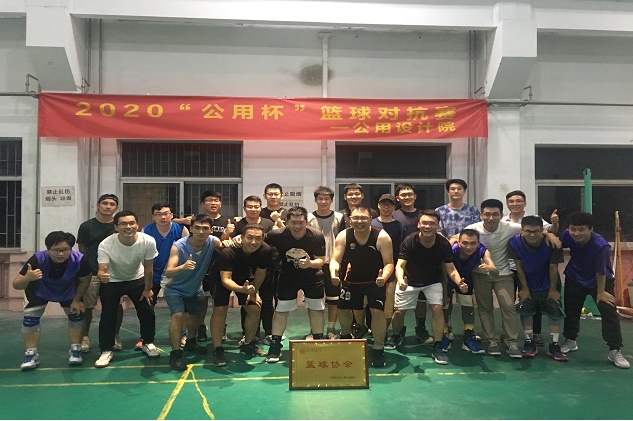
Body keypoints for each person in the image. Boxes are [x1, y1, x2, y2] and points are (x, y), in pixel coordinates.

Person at [390, 210, 468, 365]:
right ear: (419, 225)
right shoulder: (410, 241)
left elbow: (451, 269)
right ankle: (396, 336)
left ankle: (437, 346)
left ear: (437, 226)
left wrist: (459, 282)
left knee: (437, 309)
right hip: (409, 281)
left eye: (432, 223)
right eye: (424, 223)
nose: (427, 226)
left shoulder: (443, 243)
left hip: (432, 281)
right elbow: (400, 265)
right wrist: (400, 280)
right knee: (399, 312)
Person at [559, 212, 629, 369]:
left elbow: (601, 271)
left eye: (581, 229)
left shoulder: (600, 245)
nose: (576, 233)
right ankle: (570, 340)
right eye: (573, 229)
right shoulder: (567, 235)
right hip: (575, 277)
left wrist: (601, 292)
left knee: (609, 313)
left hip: (600, 281)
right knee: (571, 310)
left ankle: (615, 350)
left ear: (590, 229)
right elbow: (558, 243)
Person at [13, 231, 92, 370]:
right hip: (39, 289)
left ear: (71, 249)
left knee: (76, 315)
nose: (61, 253)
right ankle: (31, 354)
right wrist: (27, 278)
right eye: (56, 250)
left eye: (65, 250)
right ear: (48, 249)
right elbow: (16, 284)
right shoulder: (37, 259)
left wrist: (76, 300)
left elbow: (85, 281)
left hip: (68, 289)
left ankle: (75, 349)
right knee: (30, 319)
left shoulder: (80, 260)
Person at [330, 206, 394, 367]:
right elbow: (335, 259)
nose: (359, 221)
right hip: (352, 278)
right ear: (350, 220)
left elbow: (389, 263)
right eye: (356, 218)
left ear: (370, 220)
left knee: (377, 311)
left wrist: (384, 277)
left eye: (363, 218)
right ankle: (346, 337)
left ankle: (378, 347)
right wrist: (333, 273)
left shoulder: (382, 236)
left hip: (375, 280)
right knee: (343, 308)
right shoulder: (344, 235)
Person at [94, 210, 159, 368]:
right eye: (123, 224)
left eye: (131, 223)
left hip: (137, 278)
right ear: (116, 227)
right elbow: (102, 269)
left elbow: (149, 267)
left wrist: (147, 288)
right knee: (108, 314)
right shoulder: (106, 244)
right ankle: (106, 350)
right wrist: (102, 275)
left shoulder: (148, 241)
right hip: (113, 280)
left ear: (137, 224)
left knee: (147, 311)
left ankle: (148, 342)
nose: (128, 227)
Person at [263, 206, 326, 363]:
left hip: (312, 276)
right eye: (293, 223)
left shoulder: (316, 236)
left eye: (300, 222)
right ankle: (275, 345)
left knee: (316, 308)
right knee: (281, 310)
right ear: (287, 222)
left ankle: (318, 342)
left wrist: (310, 264)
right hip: (287, 276)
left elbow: (321, 259)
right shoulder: (276, 235)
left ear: (306, 222)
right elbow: (258, 242)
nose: (297, 226)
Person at [464, 199, 523, 358]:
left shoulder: (511, 228)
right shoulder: (473, 229)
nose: (491, 218)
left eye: (495, 214)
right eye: (487, 214)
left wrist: (550, 235)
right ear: (481, 215)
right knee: (485, 308)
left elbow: (534, 230)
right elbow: (458, 238)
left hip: (503, 274)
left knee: (508, 307)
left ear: (501, 215)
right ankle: (492, 341)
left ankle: (512, 342)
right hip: (480, 274)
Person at [164, 214, 223, 371]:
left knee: (196, 315)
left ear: (211, 230)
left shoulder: (213, 242)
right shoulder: (179, 246)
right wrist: (182, 267)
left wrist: (234, 239)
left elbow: (226, 245)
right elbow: (169, 272)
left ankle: (191, 342)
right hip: (175, 288)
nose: (201, 231)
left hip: (195, 288)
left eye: (205, 228)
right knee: (178, 316)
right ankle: (175, 354)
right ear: (191, 229)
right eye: (197, 227)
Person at [210, 224, 272, 366]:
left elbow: (260, 273)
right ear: (242, 237)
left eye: (258, 238)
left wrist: (253, 291)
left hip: (245, 279)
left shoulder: (265, 250)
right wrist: (242, 290)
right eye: (249, 237)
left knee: (254, 308)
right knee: (220, 310)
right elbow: (225, 280)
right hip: (221, 278)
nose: (253, 242)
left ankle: (248, 344)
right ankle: (218, 349)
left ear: (263, 238)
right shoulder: (228, 252)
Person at [505, 190, 559, 346]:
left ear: (525, 203)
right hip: (511, 269)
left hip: (533, 268)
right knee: (510, 303)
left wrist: (553, 226)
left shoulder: (534, 219)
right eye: (511, 201)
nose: (515, 203)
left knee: (535, 302)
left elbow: (549, 231)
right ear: (507, 204)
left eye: (519, 200)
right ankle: (508, 332)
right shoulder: (502, 221)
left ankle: (535, 334)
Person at [508, 216, 567, 361]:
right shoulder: (514, 242)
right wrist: (524, 288)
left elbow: (553, 268)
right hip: (528, 282)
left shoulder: (553, 243)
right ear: (522, 230)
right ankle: (529, 342)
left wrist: (553, 290)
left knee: (554, 312)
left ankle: (554, 345)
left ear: (542, 231)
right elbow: (519, 267)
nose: (532, 234)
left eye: (536, 231)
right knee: (526, 311)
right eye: (528, 231)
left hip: (549, 283)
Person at [77, 193, 123, 353]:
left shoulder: (119, 225)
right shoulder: (86, 226)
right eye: (105, 203)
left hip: (114, 274)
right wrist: (92, 264)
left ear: (116, 207)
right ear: (98, 205)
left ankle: (114, 335)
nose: (108, 206)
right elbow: (82, 248)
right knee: (87, 306)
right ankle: (84, 337)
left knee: (115, 306)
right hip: (92, 274)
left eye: (112, 204)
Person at [140, 203, 189, 350]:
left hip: (176, 274)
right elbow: (142, 256)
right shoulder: (146, 231)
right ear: (153, 217)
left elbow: (187, 251)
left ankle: (183, 334)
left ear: (172, 215)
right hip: (153, 274)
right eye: (158, 214)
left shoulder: (181, 229)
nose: (162, 217)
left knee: (182, 308)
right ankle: (146, 338)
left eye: (166, 213)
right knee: (147, 307)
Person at [231, 195, 275, 344]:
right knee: (248, 302)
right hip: (244, 270)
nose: (253, 209)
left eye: (256, 207)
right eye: (249, 206)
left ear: (261, 208)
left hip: (264, 267)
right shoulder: (238, 224)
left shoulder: (269, 223)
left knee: (267, 301)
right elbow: (232, 241)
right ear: (244, 208)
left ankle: (269, 332)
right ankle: (249, 333)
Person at [445, 228, 497, 354]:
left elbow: (495, 271)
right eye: (465, 243)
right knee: (445, 305)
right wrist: (457, 282)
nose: (469, 247)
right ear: (459, 242)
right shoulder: (451, 250)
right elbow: (448, 269)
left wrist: (490, 268)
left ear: (478, 243)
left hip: (466, 280)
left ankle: (469, 335)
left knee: (468, 306)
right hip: (447, 277)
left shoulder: (482, 251)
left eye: (473, 243)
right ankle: (445, 333)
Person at [393, 183, 432, 344]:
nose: (407, 197)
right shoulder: (394, 215)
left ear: (415, 196)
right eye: (403, 195)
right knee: (400, 302)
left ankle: (420, 328)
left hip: (422, 264)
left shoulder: (424, 215)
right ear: (397, 198)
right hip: (400, 263)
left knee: (421, 300)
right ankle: (398, 331)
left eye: (410, 194)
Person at [338, 183, 377, 338]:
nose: (354, 196)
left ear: (362, 196)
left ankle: (371, 328)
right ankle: (355, 328)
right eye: (350, 194)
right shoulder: (341, 215)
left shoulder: (371, 212)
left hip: (369, 264)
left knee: (371, 301)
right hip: (348, 265)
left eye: (357, 194)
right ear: (345, 197)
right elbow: (340, 238)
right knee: (351, 300)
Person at [307, 186, 346, 339]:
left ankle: (331, 328)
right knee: (314, 300)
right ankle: (314, 330)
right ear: (315, 200)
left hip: (333, 264)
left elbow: (344, 239)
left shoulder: (340, 217)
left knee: (334, 299)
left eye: (326, 199)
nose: (323, 202)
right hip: (314, 264)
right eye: (320, 199)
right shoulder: (308, 218)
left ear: (331, 200)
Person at [197, 190, 233, 342]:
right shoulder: (199, 220)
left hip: (221, 266)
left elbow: (228, 243)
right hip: (202, 265)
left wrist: (227, 233)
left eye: (216, 200)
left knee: (220, 301)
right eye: (209, 200)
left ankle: (221, 328)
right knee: (202, 299)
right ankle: (200, 327)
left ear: (220, 204)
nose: (213, 203)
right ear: (203, 204)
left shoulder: (227, 221)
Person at [371, 194, 406, 348]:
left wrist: (400, 271)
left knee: (388, 305)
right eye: (383, 204)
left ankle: (385, 333)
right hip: (370, 271)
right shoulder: (371, 223)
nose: (386, 207)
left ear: (394, 207)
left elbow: (402, 249)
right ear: (378, 206)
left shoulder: (399, 226)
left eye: (389, 204)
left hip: (391, 271)